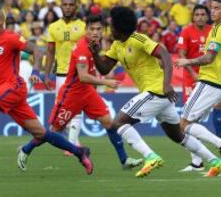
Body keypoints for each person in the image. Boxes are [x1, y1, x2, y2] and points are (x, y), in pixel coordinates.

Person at [91, 6, 221, 178]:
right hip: (159, 96)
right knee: (178, 135)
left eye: (112, 27)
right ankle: (215, 161)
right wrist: (95, 53)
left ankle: (150, 157)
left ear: (120, 28)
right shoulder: (117, 45)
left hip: (156, 91)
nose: (110, 30)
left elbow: (164, 55)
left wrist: (167, 83)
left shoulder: (138, 39)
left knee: (118, 123)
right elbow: (104, 69)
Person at [0, 6, 93, 175]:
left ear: (0, 21)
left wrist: (35, 72)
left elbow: (37, 50)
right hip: (3, 91)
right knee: (41, 133)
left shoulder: (11, 38)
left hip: (14, 86)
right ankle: (79, 153)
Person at [17, 14, 143, 171]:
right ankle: (25, 150)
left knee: (110, 123)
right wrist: (106, 82)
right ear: (86, 30)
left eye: (99, 29)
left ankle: (124, 160)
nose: (95, 32)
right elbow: (83, 77)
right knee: (53, 131)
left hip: (88, 93)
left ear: (103, 30)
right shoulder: (82, 48)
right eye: (92, 29)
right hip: (71, 95)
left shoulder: (96, 45)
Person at [175, 0, 221, 171]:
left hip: (208, 83)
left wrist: (188, 62)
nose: (212, 11)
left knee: (183, 126)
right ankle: (208, 155)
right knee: (189, 124)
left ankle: (217, 148)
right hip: (214, 84)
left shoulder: (218, 30)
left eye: (217, 8)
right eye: (212, 8)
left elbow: (209, 57)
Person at [43, 0, 85, 153]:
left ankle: (71, 144)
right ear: (61, 7)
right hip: (61, 73)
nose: (68, 7)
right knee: (61, 110)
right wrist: (46, 75)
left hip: (78, 73)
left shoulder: (83, 26)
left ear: (75, 7)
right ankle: (74, 141)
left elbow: (89, 50)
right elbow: (50, 52)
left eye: (71, 4)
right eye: (65, 4)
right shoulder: (53, 27)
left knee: (77, 108)